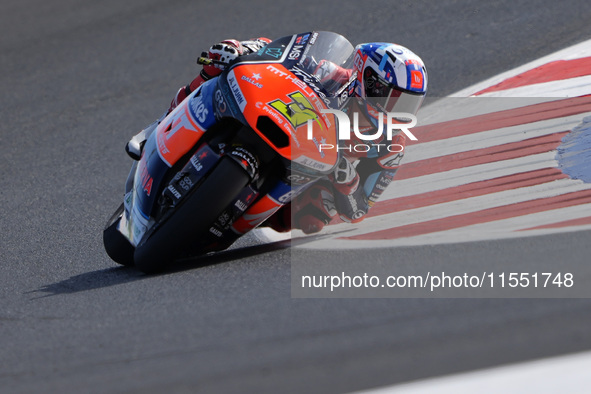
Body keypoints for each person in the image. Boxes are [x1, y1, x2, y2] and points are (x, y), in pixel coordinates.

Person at [128, 35, 428, 234]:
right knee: (222, 65)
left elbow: (358, 212)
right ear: (367, 78)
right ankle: (159, 126)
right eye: (391, 96)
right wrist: (241, 48)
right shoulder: (329, 71)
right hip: (275, 119)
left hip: (306, 173)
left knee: (314, 216)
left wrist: (347, 179)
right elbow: (280, 50)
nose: (396, 109)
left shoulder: (391, 146)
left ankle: (231, 215)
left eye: (408, 101)